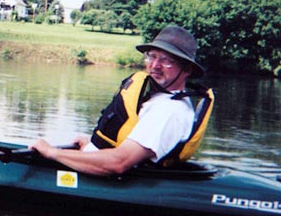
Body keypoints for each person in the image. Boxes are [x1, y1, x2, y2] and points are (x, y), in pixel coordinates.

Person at [29, 25, 211, 176]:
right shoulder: (160, 99)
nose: (155, 66)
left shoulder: (169, 111)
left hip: (115, 180)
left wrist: (52, 152)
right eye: (152, 56)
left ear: (186, 70)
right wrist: (91, 148)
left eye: (166, 60)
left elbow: (119, 163)